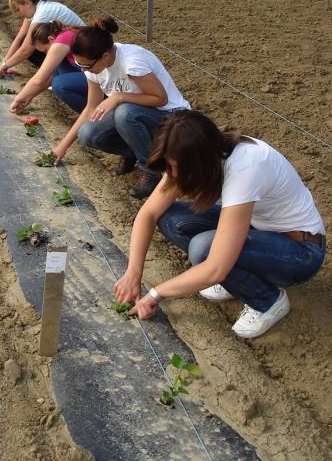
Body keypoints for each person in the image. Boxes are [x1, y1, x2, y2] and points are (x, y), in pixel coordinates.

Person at [114, 110, 326, 339]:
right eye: (170, 166)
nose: (173, 174)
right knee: (170, 218)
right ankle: (236, 279)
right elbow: (148, 214)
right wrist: (132, 273)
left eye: (177, 167)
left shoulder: (246, 167)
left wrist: (155, 294)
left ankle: (268, 301)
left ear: (200, 160)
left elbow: (215, 267)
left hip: (300, 252)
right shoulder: (201, 152)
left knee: (204, 249)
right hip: (259, 229)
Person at [51, 18, 190, 199]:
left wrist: (119, 97)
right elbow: (90, 108)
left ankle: (152, 168)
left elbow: (160, 99)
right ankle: (134, 151)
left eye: (86, 65)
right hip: (136, 113)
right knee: (87, 133)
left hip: (171, 117)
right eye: (80, 65)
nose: (84, 70)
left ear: (105, 57)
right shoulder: (94, 68)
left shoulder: (132, 61)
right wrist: (61, 147)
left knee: (124, 113)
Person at [0, 0, 84, 78]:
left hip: (80, 50)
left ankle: (58, 75)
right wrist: (4, 63)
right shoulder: (36, 8)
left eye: (18, 10)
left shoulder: (42, 14)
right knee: (26, 42)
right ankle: (54, 73)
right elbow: (19, 37)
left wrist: (5, 66)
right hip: (68, 45)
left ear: (26, 3)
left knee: (32, 45)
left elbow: (26, 50)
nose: (19, 14)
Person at [9, 21, 88, 115]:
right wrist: (30, 95)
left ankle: (91, 113)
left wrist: (18, 99)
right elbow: (50, 75)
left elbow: (38, 79)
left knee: (59, 85)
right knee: (57, 69)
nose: (47, 54)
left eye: (46, 50)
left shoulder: (62, 40)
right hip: (89, 75)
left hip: (101, 81)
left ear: (50, 39)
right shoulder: (64, 36)